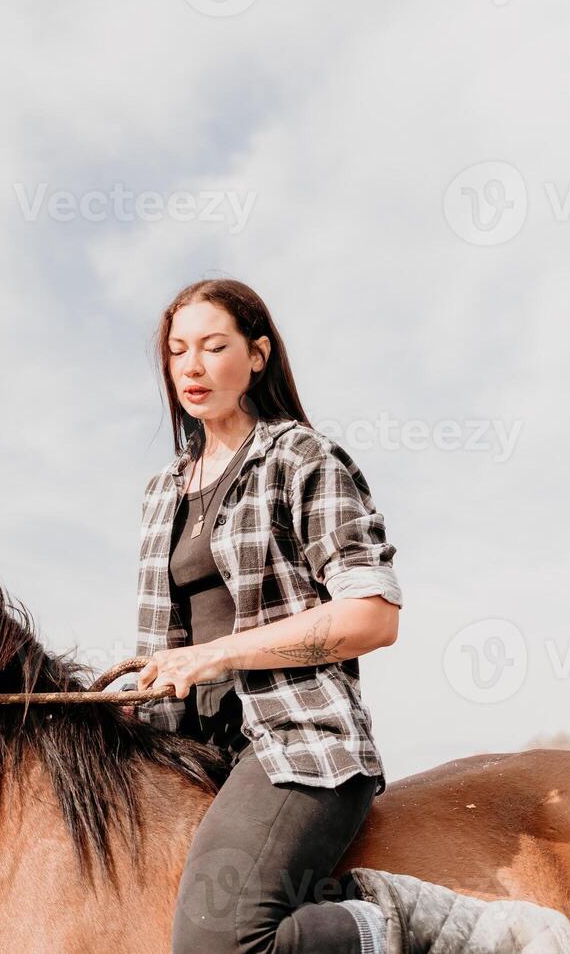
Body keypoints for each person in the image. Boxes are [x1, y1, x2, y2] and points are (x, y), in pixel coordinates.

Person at [133, 278, 399, 953]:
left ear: (256, 356)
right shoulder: (162, 490)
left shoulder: (303, 459)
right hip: (185, 744)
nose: (191, 367)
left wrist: (219, 654)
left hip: (295, 738)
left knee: (216, 941)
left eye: (213, 346)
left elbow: (371, 616)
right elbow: (174, 635)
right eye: (177, 351)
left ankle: (386, 925)